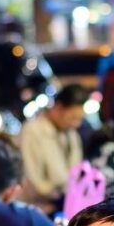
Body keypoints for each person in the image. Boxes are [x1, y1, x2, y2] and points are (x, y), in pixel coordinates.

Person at [17, 84, 89, 214]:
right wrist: (59, 197)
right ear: (58, 107)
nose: (76, 124)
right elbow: (32, 180)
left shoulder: (71, 133)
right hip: (37, 211)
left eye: (80, 119)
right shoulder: (33, 131)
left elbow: (76, 171)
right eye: (72, 118)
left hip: (65, 207)